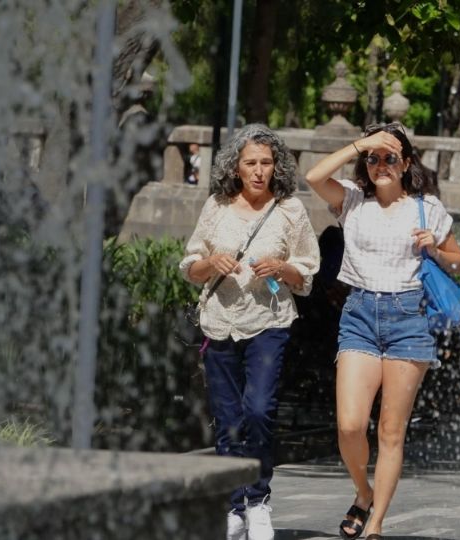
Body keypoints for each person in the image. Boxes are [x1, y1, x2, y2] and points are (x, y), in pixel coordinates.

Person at [304, 122, 460, 540]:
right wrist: (361, 143)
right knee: (350, 426)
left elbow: (458, 259)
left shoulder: (426, 206)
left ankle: (374, 525)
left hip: (408, 318)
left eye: (390, 157)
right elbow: (313, 177)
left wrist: (436, 245)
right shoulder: (353, 201)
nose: (380, 164)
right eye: (373, 158)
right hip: (360, 314)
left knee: (391, 431)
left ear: (406, 163)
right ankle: (364, 492)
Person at [179, 124, 320, 540]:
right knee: (228, 420)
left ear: (276, 166)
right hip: (220, 323)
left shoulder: (290, 209)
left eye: (266, 162)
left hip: (269, 322)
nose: (259, 171)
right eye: (250, 163)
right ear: (235, 168)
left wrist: (283, 268)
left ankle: (258, 501)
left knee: (258, 411)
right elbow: (190, 265)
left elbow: (308, 271)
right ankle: (232, 506)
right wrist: (212, 264)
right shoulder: (217, 206)